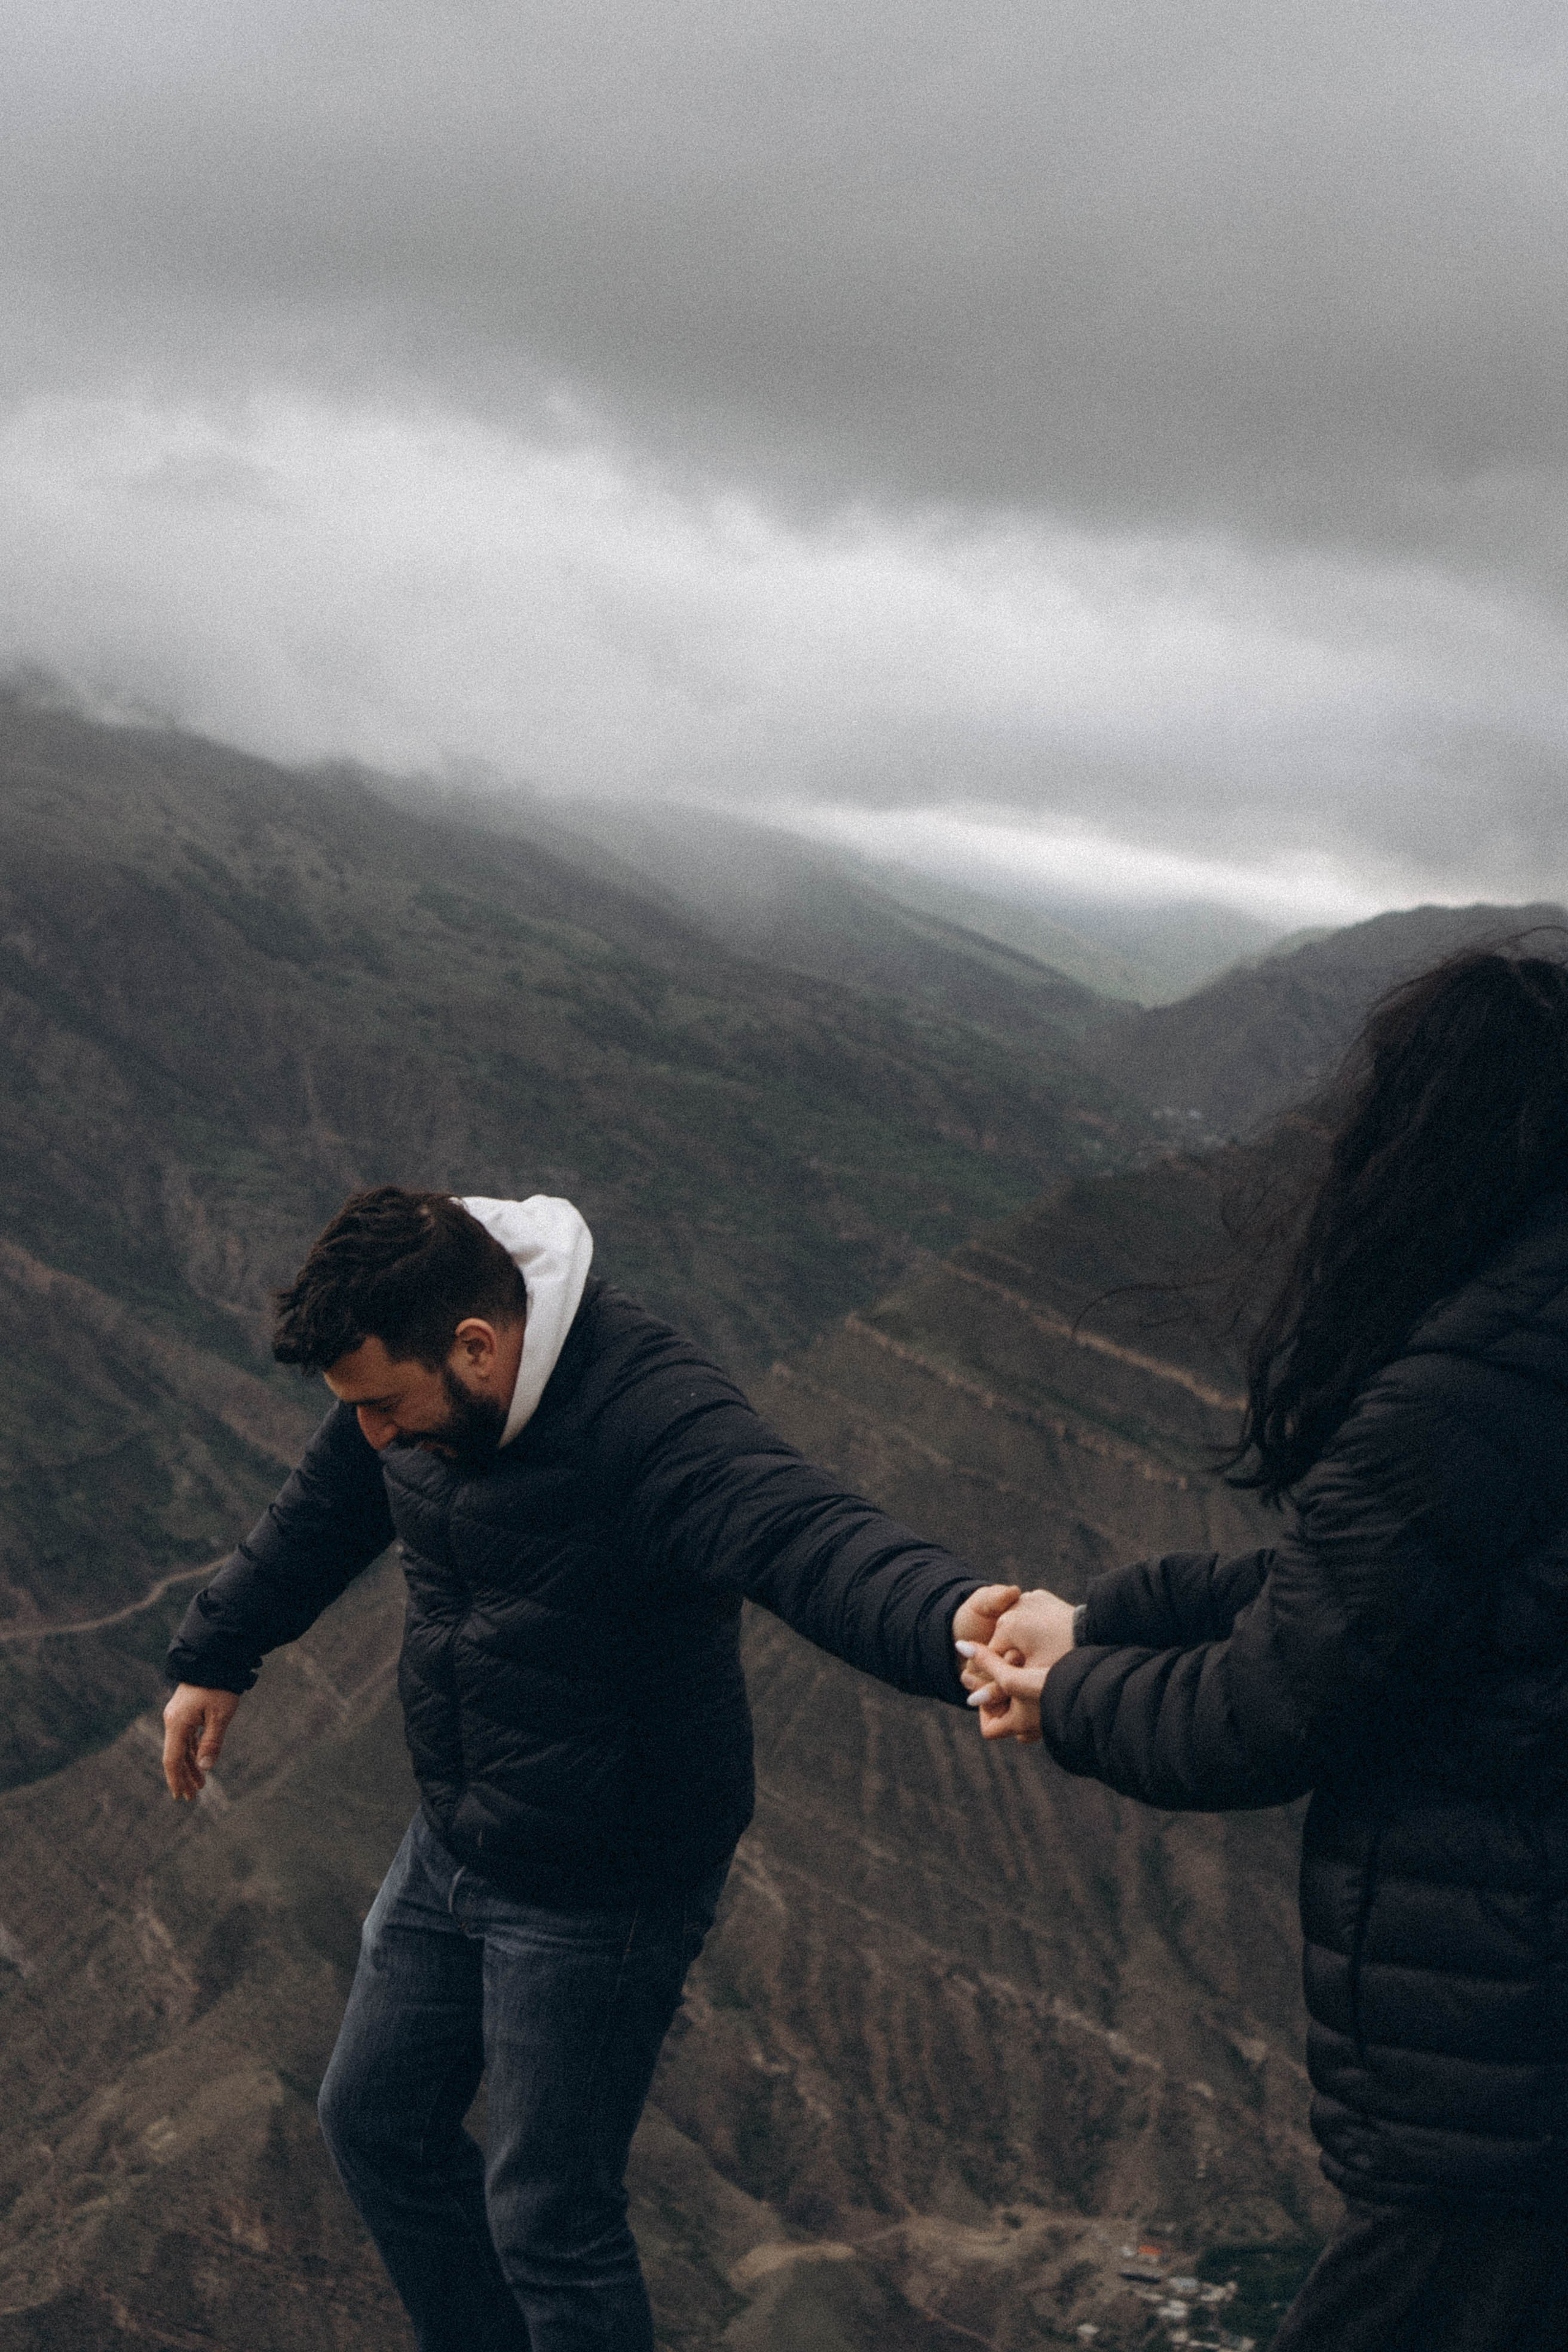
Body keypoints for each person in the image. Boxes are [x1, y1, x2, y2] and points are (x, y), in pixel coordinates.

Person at [163, 1186, 1008, 2352]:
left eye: (383, 1408)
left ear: (477, 1347)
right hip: (456, 1836)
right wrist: (219, 1650)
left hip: (604, 1881)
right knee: (374, 2125)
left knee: (550, 2218)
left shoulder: (649, 1412)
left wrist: (963, 1624)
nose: (371, 1436)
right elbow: (328, 1504)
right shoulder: (415, 1376)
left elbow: (805, 1534)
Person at [958, 947, 1568, 2352]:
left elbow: (1268, 1709)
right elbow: (1388, 1593)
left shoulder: (1463, 1390)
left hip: (1496, 2076)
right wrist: (1110, 1618)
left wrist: (1061, 1694)